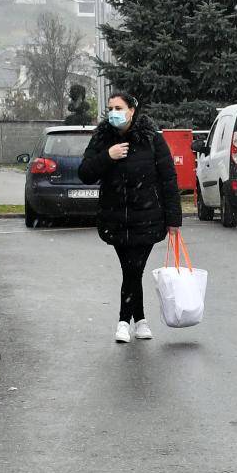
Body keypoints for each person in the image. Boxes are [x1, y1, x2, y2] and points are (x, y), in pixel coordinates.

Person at [78, 92, 181, 343]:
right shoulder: (102, 138)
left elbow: (168, 179)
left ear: (132, 110)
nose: (114, 112)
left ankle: (125, 321)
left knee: (134, 269)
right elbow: (85, 173)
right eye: (110, 107)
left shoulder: (152, 139)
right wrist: (108, 156)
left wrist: (174, 220)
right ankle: (141, 321)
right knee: (131, 270)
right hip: (115, 218)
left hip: (147, 217)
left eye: (119, 107)